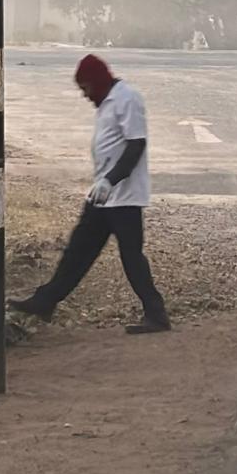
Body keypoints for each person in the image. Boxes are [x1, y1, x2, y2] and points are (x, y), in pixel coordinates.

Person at [12, 53, 170, 334]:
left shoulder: (127, 98)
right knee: (78, 251)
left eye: (86, 87)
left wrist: (110, 180)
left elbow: (136, 145)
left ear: (97, 81)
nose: (85, 95)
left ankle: (156, 315)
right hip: (103, 195)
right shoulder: (107, 102)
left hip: (124, 196)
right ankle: (45, 300)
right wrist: (104, 183)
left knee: (131, 256)